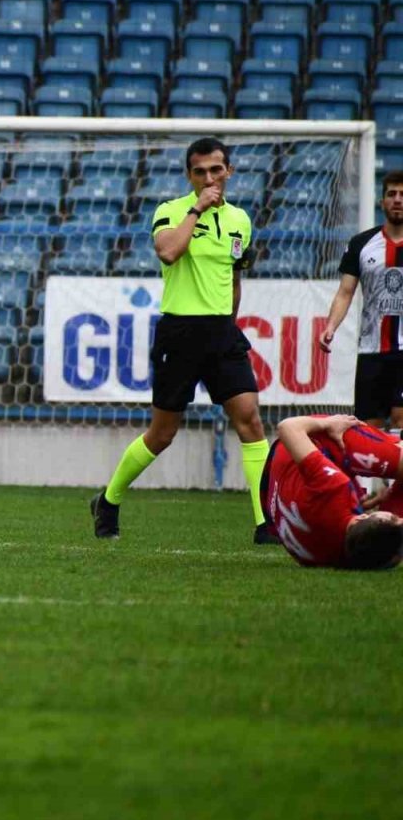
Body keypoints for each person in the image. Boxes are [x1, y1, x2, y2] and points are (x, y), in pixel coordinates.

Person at [90, 137, 275, 545]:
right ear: (189, 175)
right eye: (200, 171)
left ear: (229, 171)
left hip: (222, 332)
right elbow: (169, 253)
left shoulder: (241, 220)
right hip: (180, 332)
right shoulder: (171, 212)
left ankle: (266, 523)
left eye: (216, 170)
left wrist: (230, 322)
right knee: (162, 434)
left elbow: (235, 275)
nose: (209, 178)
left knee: (250, 420)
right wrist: (197, 208)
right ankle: (109, 499)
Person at [261, 414, 403, 570]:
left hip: (300, 443)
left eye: (395, 518)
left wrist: (327, 423)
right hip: (273, 493)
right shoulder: (345, 555)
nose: (400, 520)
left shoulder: (335, 490)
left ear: (361, 517)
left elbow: (288, 428)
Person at [319, 171, 403, 429]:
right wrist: (331, 326)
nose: (397, 200)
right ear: (382, 201)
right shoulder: (361, 243)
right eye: (391, 194)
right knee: (370, 427)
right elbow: (346, 292)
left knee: (401, 420)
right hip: (371, 350)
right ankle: (375, 471)